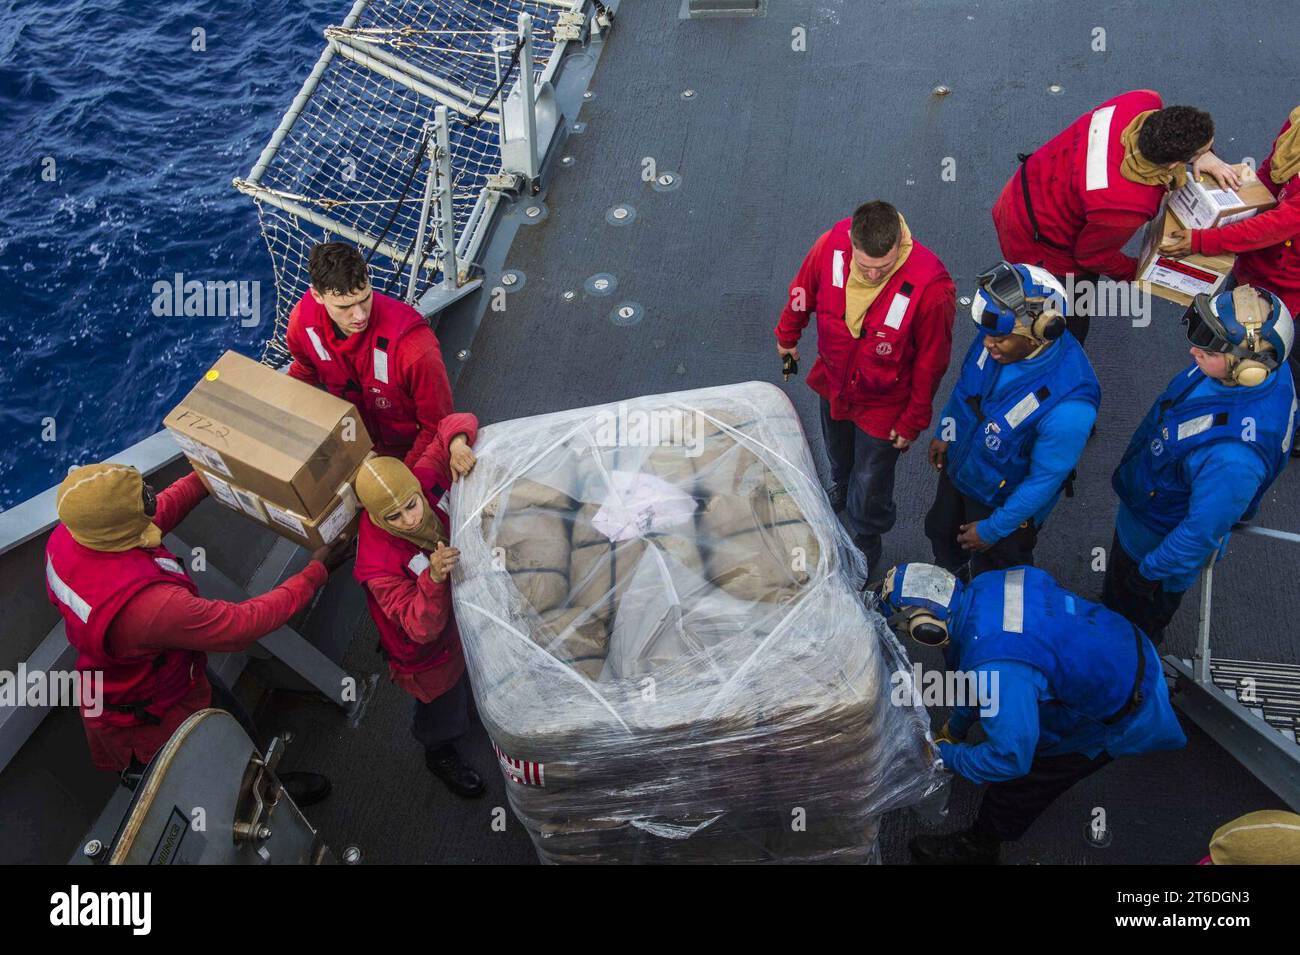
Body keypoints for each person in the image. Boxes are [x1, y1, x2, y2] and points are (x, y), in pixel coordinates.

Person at [45, 463, 347, 803]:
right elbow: (243, 624)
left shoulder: (73, 537)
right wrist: (315, 573)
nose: (151, 500)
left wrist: (207, 472)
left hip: (155, 676)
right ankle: (264, 802)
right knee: (212, 776)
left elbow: (160, 509)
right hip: (153, 715)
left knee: (234, 731)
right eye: (142, 500)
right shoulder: (150, 607)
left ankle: (266, 784)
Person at [878, 562, 1186, 865]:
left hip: (1122, 709)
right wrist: (957, 727)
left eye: (906, 629)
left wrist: (946, 755)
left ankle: (980, 845)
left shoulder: (998, 671)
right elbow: (982, 662)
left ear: (927, 630)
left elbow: (1011, 759)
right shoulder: (990, 584)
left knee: (1027, 780)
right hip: (1126, 647)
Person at [1106, 285, 1297, 643]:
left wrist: (1148, 574)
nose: (1194, 349)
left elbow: (1197, 534)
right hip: (1152, 510)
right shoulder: (1265, 372)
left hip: (1151, 546)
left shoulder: (1234, 458)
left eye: (1209, 347)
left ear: (1249, 368)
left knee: (1129, 634)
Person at [774, 200, 956, 573]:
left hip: (884, 403)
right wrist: (788, 334)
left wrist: (912, 421)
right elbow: (803, 289)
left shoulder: (932, 287)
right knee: (837, 452)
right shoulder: (831, 244)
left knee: (871, 480)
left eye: (884, 268)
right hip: (835, 382)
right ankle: (842, 487)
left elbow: (931, 362)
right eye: (865, 266)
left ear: (900, 244)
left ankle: (865, 546)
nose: (873, 276)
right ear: (852, 243)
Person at [992, 90, 1237, 344]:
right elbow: (1091, 256)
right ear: (1174, 164)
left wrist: (1204, 153)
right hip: (1039, 243)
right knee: (1065, 320)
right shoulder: (1127, 204)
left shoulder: (1139, 102)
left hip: (1024, 191)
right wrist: (1140, 273)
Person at [925, 263, 1099, 578]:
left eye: (1000, 340)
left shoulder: (1070, 405)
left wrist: (993, 529)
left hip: (1001, 503)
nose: (987, 344)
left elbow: (1044, 481)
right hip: (962, 465)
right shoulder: (995, 337)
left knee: (997, 571)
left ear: (1041, 332)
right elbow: (966, 387)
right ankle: (947, 578)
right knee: (940, 529)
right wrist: (945, 431)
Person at [353, 413, 484, 797]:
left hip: (462, 620)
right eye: (392, 517)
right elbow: (419, 628)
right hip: (428, 655)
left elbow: (453, 422)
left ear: (415, 487)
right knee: (440, 706)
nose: (409, 520)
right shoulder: (377, 565)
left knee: (469, 678)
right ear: (377, 517)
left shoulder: (424, 477)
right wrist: (433, 578)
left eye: (412, 505)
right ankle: (439, 753)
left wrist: (458, 444)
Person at [1164, 106, 1300, 419]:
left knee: (1283, 358)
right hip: (1258, 263)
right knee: (1226, 334)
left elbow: (1277, 225)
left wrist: (1202, 241)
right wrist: (1245, 194)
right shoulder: (1296, 122)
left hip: (1290, 282)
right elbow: (1271, 172)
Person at [286, 241, 455, 467]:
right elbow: (305, 371)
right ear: (317, 296)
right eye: (344, 307)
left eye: (365, 299)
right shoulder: (302, 323)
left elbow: (437, 426)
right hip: (353, 445)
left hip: (408, 452)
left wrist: (405, 479)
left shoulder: (415, 348)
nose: (359, 316)